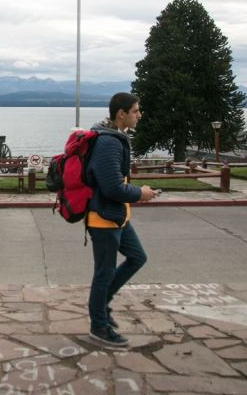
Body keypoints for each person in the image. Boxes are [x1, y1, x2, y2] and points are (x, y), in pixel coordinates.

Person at [85, 92, 158, 346]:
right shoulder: (109, 143)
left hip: (117, 215)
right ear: (121, 113)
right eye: (136, 110)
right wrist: (141, 193)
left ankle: (102, 303)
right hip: (103, 217)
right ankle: (98, 326)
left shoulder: (116, 136)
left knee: (137, 257)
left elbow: (116, 182)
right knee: (103, 273)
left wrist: (136, 193)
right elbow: (112, 188)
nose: (140, 115)